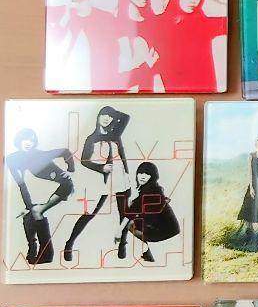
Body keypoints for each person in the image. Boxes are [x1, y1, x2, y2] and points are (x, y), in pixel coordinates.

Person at [67, 106, 131, 264]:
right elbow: (84, 160)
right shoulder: (92, 138)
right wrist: (101, 168)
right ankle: (69, 243)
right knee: (90, 213)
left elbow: (125, 117)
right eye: (103, 115)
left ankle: (122, 244)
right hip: (103, 178)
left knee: (124, 213)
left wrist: (111, 112)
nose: (106, 118)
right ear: (98, 116)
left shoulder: (115, 133)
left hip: (120, 175)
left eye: (109, 116)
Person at [5, 128, 75, 266]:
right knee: (28, 215)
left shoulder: (40, 154)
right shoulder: (12, 159)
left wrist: (70, 169)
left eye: (31, 140)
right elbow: (21, 185)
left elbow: (65, 151)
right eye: (25, 139)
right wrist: (28, 206)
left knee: (36, 211)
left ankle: (47, 254)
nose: (28, 143)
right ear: (19, 140)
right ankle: (33, 249)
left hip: (64, 185)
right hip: (45, 188)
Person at [155, 0, 227, 92]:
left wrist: (223, 0)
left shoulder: (202, 24)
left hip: (207, 94)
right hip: (175, 97)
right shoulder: (159, 25)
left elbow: (237, 22)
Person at [118, 160, 181, 264]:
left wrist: (119, 231)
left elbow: (132, 213)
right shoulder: (149, 189)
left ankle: (151, 250)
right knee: (134, 221)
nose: (142, 176)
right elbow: (133, 211)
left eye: (147, 174)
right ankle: (150, 249)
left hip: (166, 231)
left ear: (152, 176)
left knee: (131, 225)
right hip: (168, 229)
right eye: (140, 173)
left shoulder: (151, 192)